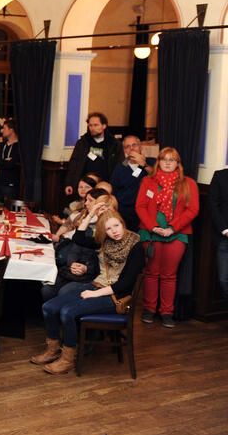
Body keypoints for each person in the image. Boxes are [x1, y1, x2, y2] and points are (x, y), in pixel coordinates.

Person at [32, 210, 147, 375]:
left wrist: (94, 294)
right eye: (108, 229)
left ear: (122, 223)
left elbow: (125, 284)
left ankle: (68, 359)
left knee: (67, 312)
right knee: (48, 307)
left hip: (116, 296)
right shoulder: (105, 241)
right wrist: (91, 213)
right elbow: (78, 238)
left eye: (116, 225)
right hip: (95, 285)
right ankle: (53, 350)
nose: (114, 231)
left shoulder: (136, 246)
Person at [135, 147, 199, 328]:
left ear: (178, 163)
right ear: (159, 162)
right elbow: (140, 206)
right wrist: (154, 227)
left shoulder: (188, 183)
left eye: (172, 160)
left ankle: (166, 312)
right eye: (164, 159)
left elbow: (192, 209)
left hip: (177, 234)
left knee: (169, 275)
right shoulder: (148, 181)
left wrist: (172, 228)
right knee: (151, 272)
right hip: (150, 233)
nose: (168, 163)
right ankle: (149, 309)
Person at [63, 112, 122, 195]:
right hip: (85, 184)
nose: (92, 128)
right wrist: (69, 183)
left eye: (96, 125)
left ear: (104, 126)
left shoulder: (114, 144)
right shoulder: (83, 143)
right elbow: (74, 164)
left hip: (105, 185)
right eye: (90, 125)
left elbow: (119, 166)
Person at [110, 135, 154, 231]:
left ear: (140, 147)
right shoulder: (120, 168)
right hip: (126, 213)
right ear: (124, 150)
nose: (132, 148)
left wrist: (144, 165)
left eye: (134, 145)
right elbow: (114, 191)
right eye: (127, 146)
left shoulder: (152, 162)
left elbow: (158, 177)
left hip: (148, 211)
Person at [0, 119, 21, 205]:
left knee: (8, 210)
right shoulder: (3, 144)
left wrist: (1, 161)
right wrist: (5, 161)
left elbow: (10, 165)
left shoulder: (19, 147)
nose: (1, 130)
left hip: (11, 185)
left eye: (4, 128)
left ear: (11, 130)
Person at [210, 168, 228, 299]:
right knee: (224, 279)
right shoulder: (220, 176)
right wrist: (225, 230)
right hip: (224, 237)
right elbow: (213, 205)